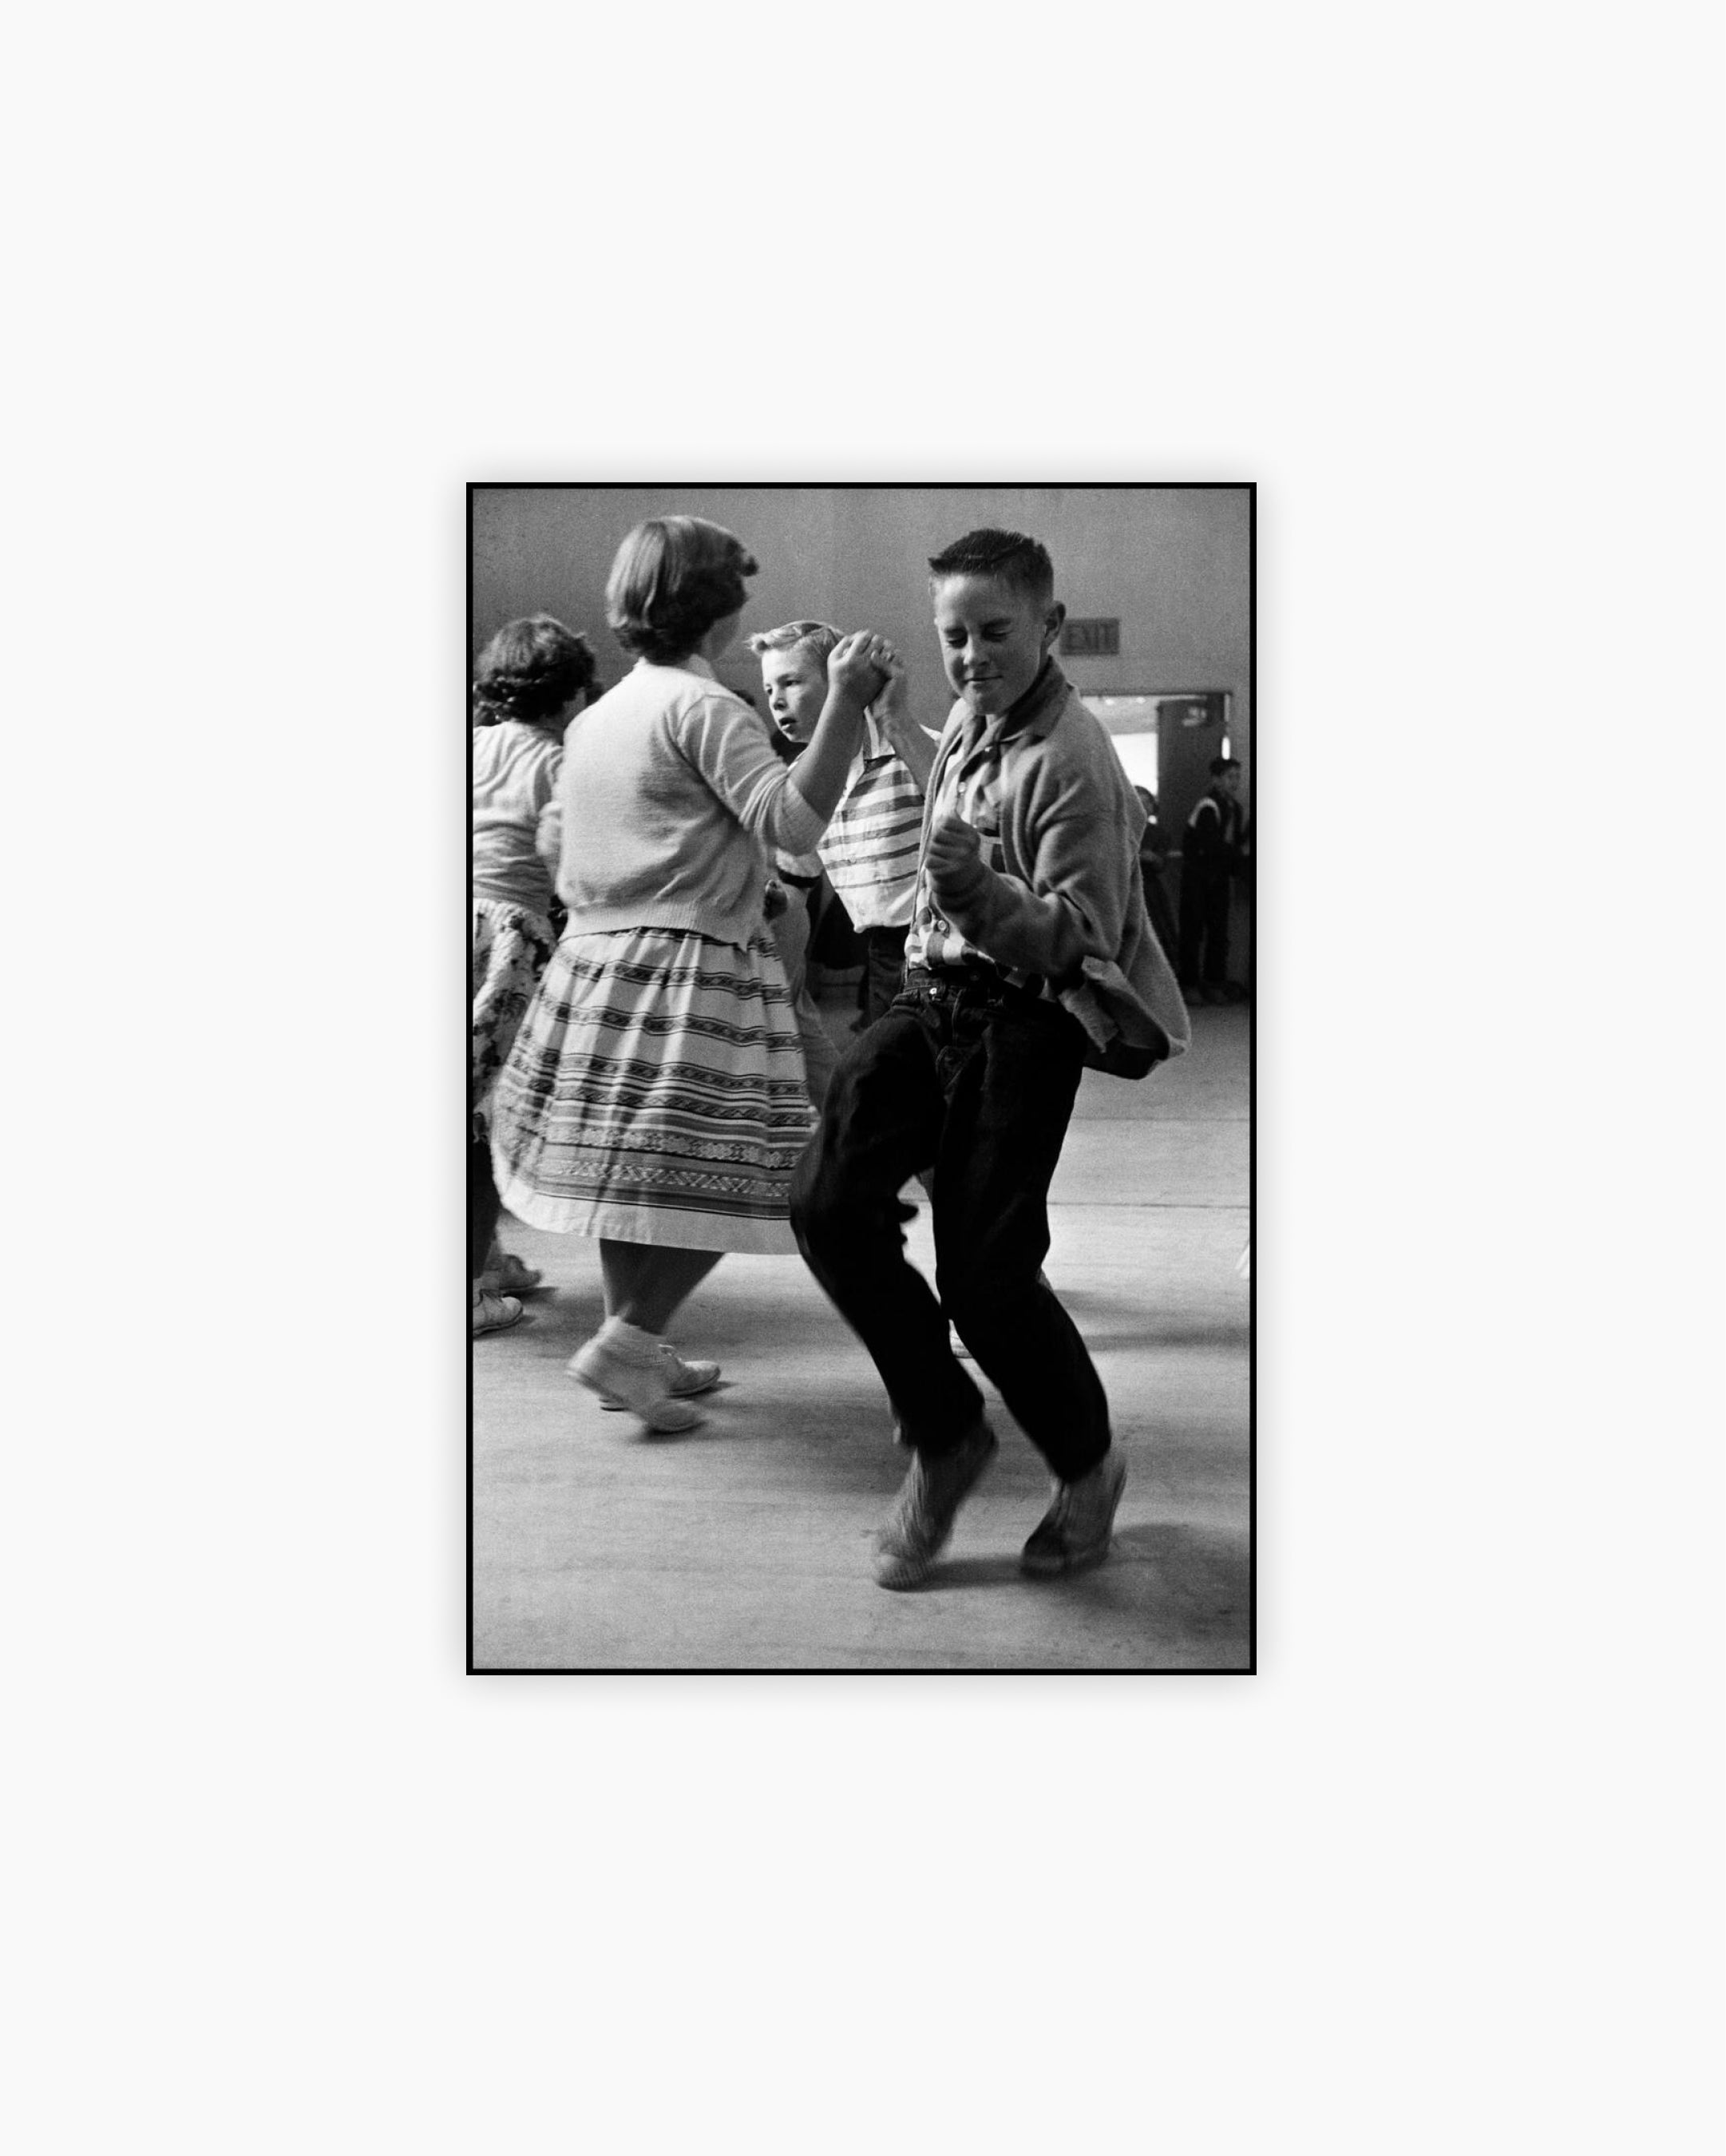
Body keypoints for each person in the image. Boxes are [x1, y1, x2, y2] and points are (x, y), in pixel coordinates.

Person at [790, 529, 1190, 1588]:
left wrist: (973, 891)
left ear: (1051, 628)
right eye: (953, 636)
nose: (970, 656)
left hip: (1027, 1017)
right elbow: (946, 802)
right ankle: (945, 1434)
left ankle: (1088, 1468)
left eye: (994, 633)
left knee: (983, 1278)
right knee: (826, 1203)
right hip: (929, 998)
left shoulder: (1075, 761)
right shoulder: (972, 713)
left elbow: (1078, 939)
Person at [489, 515, 893, 1432]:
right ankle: (628, 1340)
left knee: (633, 1178)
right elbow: (790, 823)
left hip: (596, 967)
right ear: (715, 610)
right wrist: (843, 702)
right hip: (687, 971)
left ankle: (635, 1350)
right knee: (750, 1170)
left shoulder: (596, 717)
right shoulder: (703, 707)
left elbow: (561, 847)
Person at [470, 614, 598, 1338]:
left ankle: (483, 1256)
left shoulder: (472, 742)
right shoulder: (556, 761)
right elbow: (573, 865)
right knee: (493, 1116)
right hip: (507, 941)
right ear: (570, 695)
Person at [750, 620, 937, 1029]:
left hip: (942, 947)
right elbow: (796, 886)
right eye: (769, 690)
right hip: (883, 954)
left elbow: (962, 820)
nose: (777, 702)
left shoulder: (913, 746)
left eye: (791, 682)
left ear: (842, 683)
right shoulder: (802, 780)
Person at [1177, 755, 1249, 1003]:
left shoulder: (1236, 809)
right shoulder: (1207, 806)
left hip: (1219, 879)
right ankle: (1189, 984)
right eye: (1230, 777)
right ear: (1216, 780)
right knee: (1193, 931)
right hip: (1197, 877)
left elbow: (1234, 844)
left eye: (1237, 777)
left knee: (1219, 932)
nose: (1235, 782)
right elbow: (1210, 846)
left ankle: (1214, 982)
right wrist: (1234, 852)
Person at [1134, 785, 1182, 964]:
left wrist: (1153, 858)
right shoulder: (1119, 830)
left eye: (1147, 802)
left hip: (1150, 890)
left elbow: (1162, 863)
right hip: (1124, 889)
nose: (1144, 806)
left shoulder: (1158, 833)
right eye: (1138, 802)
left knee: (1159, 933)